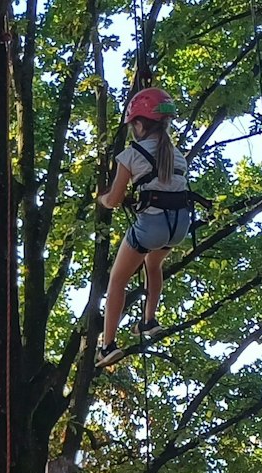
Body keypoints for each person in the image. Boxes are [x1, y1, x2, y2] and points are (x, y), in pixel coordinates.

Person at [95, 88, 194, 368]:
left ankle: (108, 346)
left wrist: (101, 197)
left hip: (151, 227)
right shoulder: (177, 156)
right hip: (178, 226)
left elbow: (113, 201)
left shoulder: (130, 155)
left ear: (138, 124)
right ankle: (149, 321)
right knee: (153, 265)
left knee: (117, 280)